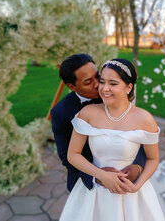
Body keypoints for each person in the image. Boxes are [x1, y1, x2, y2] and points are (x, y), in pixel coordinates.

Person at [59, 58, 165, 221]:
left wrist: (137, 186)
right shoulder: (88, 113)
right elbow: (72, 154)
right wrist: (101, 175)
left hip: (129, 194)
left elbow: (153, 158)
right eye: (102, 82)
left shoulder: (144, 119)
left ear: (128, 87)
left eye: (113, 84)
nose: (104, 88)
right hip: (94, 192)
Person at [50, 54, 146, 193]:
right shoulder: (61, 113)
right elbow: (67, 156)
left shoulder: (114, 94)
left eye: (97, 76)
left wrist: (138, 166)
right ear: (72, 86)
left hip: (127, 177)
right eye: (88, 82)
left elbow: (138, 133)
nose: (98, 84)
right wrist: (98, 175)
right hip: (87, 183)